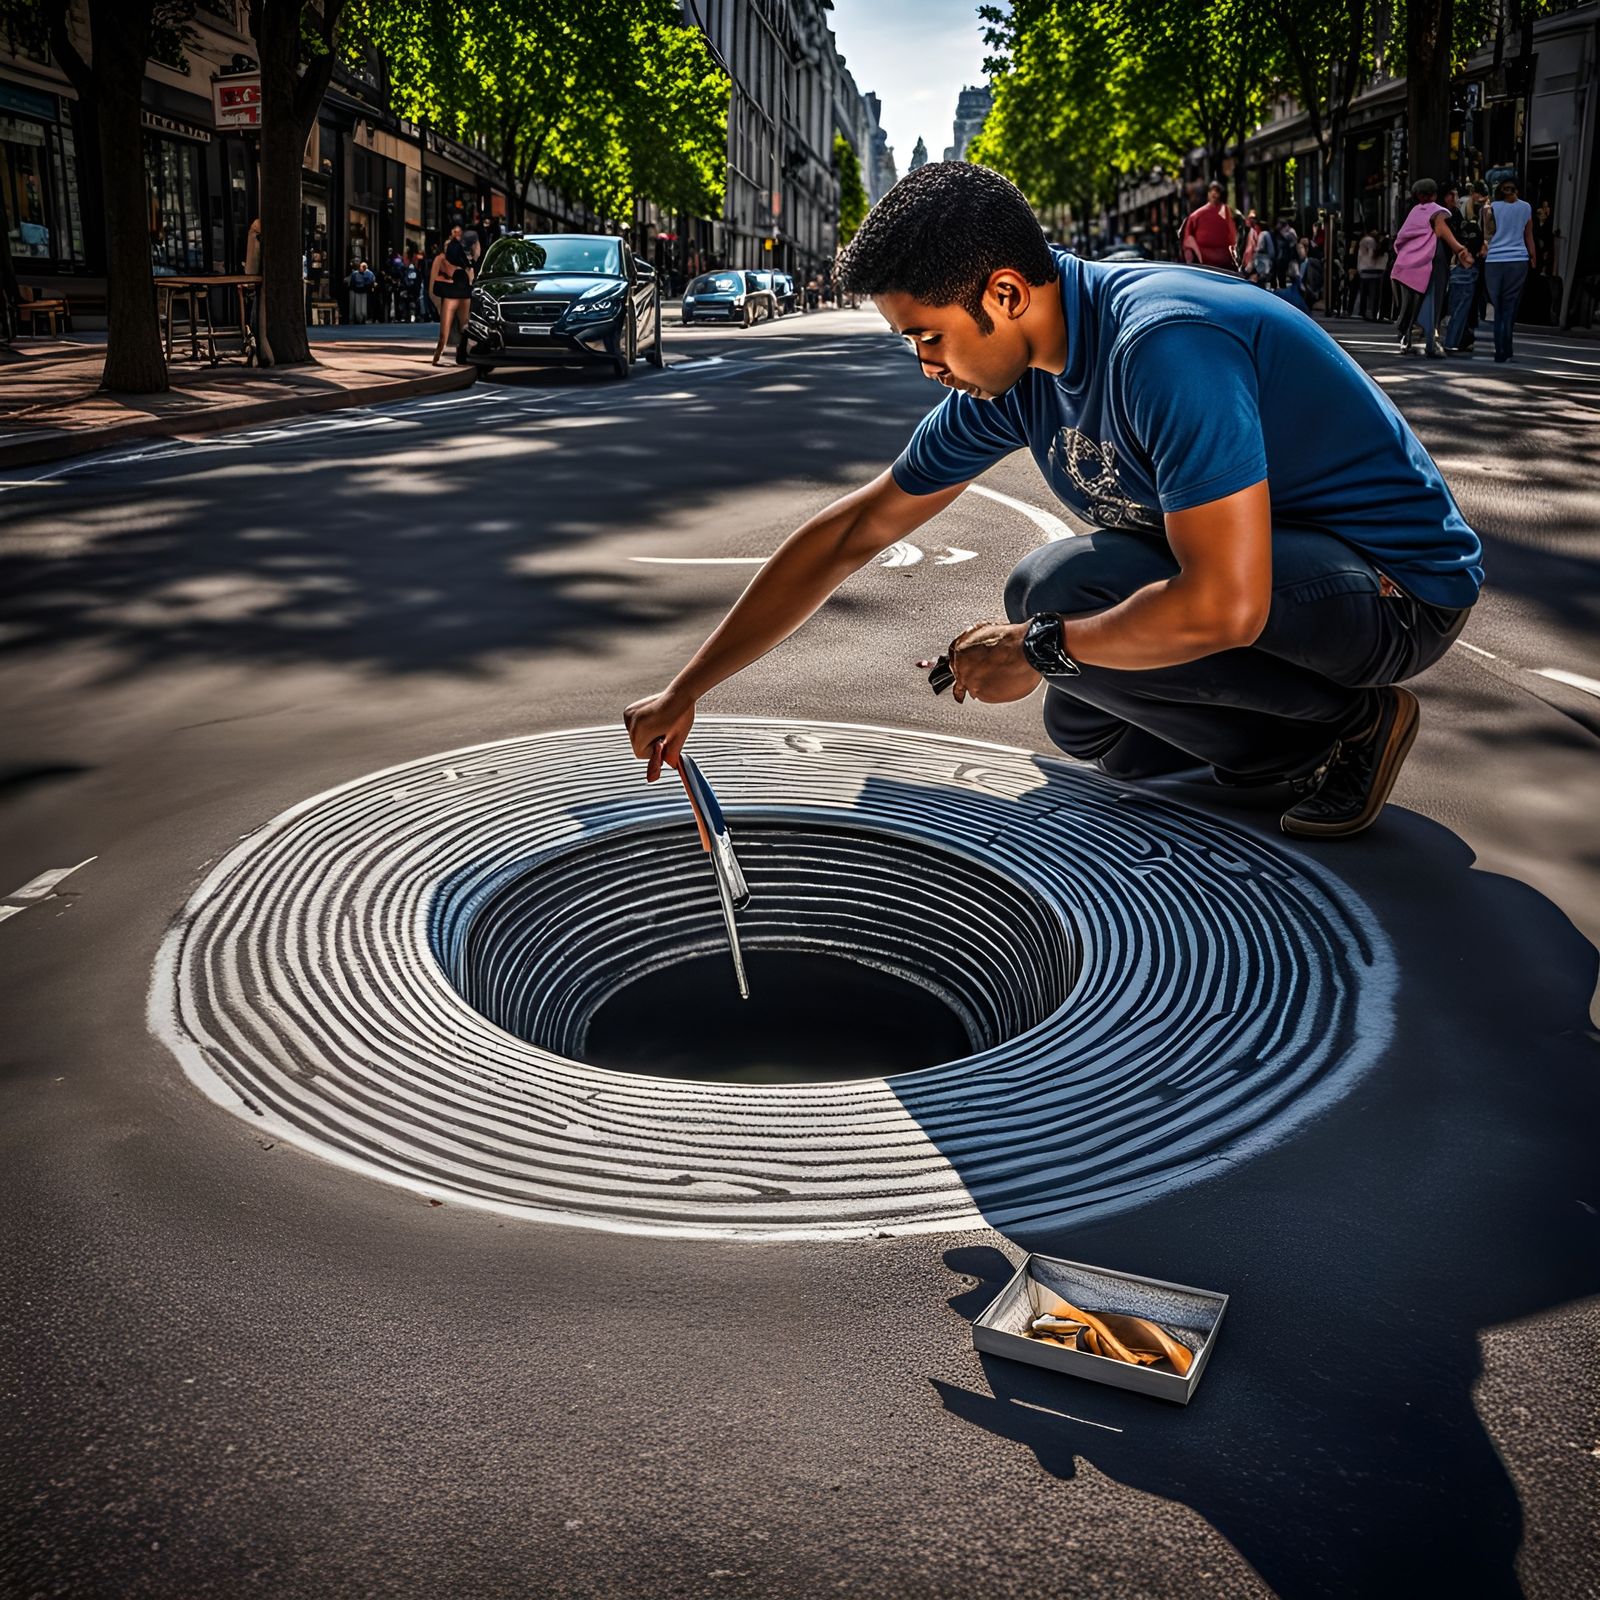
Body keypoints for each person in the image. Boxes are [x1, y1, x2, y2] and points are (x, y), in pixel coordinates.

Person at [623, 162, 1482, 840]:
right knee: (1090, 726)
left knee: (1055, 598)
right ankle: (1287, 745)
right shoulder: (1019, 377)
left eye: (928, 336)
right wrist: (688, 688)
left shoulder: (1161, 348)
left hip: (1391, 592)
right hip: (1274, 570)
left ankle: (1352, 723)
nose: (925, 364)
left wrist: (1039, 648)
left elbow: (1227, 600)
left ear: (1003, 294)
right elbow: (855, 530)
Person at [1390, 179, 1473, 356]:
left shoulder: (1413, 211)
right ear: (1435, 195)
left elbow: (1401, 237)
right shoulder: (1437, 210)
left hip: (1406, 263)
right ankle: (1431, 342)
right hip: (1432, 260)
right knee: (1434, 301)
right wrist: (1459, 249)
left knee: (1410, 303)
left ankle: (1405, 334)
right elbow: (1442, 229)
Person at [1482, 178, 1535, 361]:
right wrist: (1533, 257)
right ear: (1517, 190)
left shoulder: (1491, 208)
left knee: (1498, 308)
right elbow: (1529, 235)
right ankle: (1508, 349)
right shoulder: (1526, 208)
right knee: (1510, 307)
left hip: (1494, 260)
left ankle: (1499, 351)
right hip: (1518, 260)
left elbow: (1486, 235)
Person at [1442, 184, 1485, 355]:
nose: (1455, 200)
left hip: (1459, 267)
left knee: (1459, 307)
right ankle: (1456, 339)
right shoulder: (1466, 226)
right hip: (1464, 267)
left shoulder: (1456, 222)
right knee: (1462, 307)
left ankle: (1457, 339)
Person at [430, 223, 471, 363]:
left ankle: (463, 354)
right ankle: (438, 354)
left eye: (459, 232)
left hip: (462, 293)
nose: (457, 235)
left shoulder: (463, 258)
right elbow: (433, 283)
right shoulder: (441, 259)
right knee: (445, 332)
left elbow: (471, 276)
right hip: (451, 295)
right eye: (454, 232)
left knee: (464, 327)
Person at [1177, 181, 1238, 270]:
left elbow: (1233, 236)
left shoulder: (1227, 212)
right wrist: (1190, 261)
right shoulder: (1196, 215)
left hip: (1225, 263)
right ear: (1208, 194)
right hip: (1204, 264)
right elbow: (1188, 239)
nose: (1214, 193)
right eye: (1211, 191)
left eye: (1217, 191)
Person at [1356, 225, 1383, 319]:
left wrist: (1359, 267)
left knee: (1364, 292)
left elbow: (1359, 255)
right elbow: (1372, 254)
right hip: (1373, 269)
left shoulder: (1362, 241)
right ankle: (1373, 313)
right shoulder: (1372, 241)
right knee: (1374, 294)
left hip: (1363, 269)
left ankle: (1362, 311)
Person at [348, 259, 376, 324]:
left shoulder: (369, 273)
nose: (362, 268)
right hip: (357, 291)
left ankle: (364, 318)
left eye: (364, 267)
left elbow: (372, 281)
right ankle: (358, 318)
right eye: (361, 266)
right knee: (358, 309)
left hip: (365, 292)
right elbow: (352, 282)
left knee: (364, 308)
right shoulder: (355, 274)